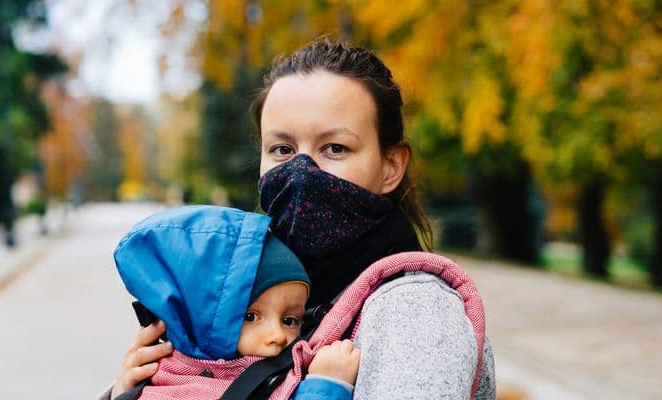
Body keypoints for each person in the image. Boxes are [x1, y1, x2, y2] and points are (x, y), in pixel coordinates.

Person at [108, 39, 496, 400]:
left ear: (390, 167)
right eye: (282, 148)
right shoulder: (257, 293)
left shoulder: (415, 312)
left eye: (335, 148)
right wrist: (140, 389)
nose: (301, 172)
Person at [111, 206, 361, 399]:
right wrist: (326, 387)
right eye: (250, 316)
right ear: (199, 320)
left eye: (289, 320)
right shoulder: (175, 389)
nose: (278, 335)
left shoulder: (280, 368)